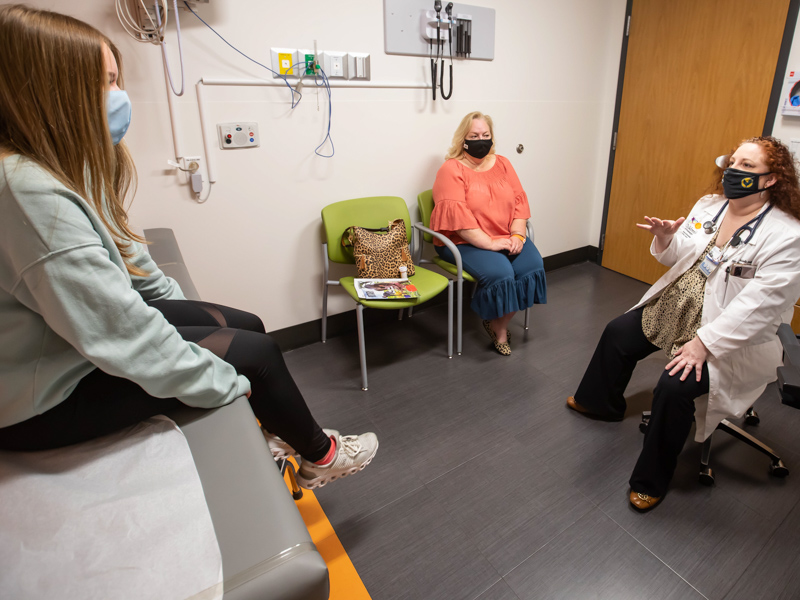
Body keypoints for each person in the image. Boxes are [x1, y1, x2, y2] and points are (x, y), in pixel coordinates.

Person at [0, 4, 377, 490]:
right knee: (258, 358)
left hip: (70, 349)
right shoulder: (24, 192)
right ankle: (320, 457)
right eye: (106, 82)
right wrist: (231, 389)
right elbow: (122, 338)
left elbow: (127, 253)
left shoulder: (58, 166)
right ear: (55, 91)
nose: (120, 97)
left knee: (249, 326)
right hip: (41, 398)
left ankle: (279, 429)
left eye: (119, 80)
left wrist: (177, 305)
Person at [566, 136, 800, 511]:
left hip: (728, 332)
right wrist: (666, 238)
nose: (733, 170)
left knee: (674, 388)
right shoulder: (710, 206)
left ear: (772, 180)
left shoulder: (787, 236)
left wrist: (704, 343)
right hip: (679, 303)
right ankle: (598, 403)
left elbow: (762, 307)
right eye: (732, 161)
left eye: (747, 166)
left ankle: (651, 481)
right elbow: (679, 257)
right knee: (618, 332)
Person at [430, 111, 547, 355]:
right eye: (474, 135)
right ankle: (501, 333)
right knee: (501, 273)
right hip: (463, 241)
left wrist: (516, 235)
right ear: (463, 139)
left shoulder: (503, 163)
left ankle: (496, 322)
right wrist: (491, 244)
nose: (480, 139)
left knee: (532, 267)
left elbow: (519, 204)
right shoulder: (451, 169)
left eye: (485, 135)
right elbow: (459, 222)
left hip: (505, 235)